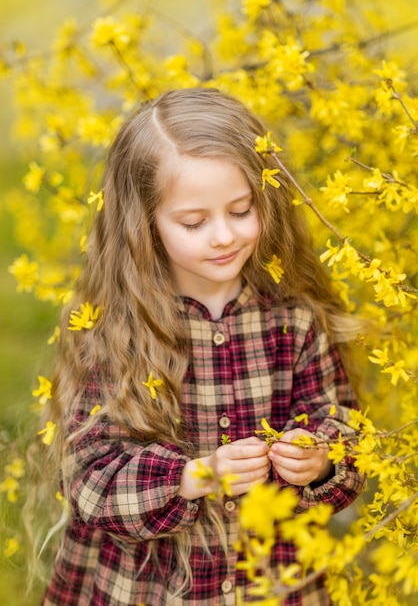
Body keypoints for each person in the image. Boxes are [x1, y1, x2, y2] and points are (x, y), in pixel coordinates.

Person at [40, 87, 365, 606]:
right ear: (145, 224)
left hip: (272, 584)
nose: (223, 237)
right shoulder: (115, 332)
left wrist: (320, 460)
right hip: (149, 588)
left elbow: (345, 430)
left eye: (241, 211)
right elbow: (90, 483)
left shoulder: (293, 321)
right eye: (194, 222)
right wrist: (196, 476)